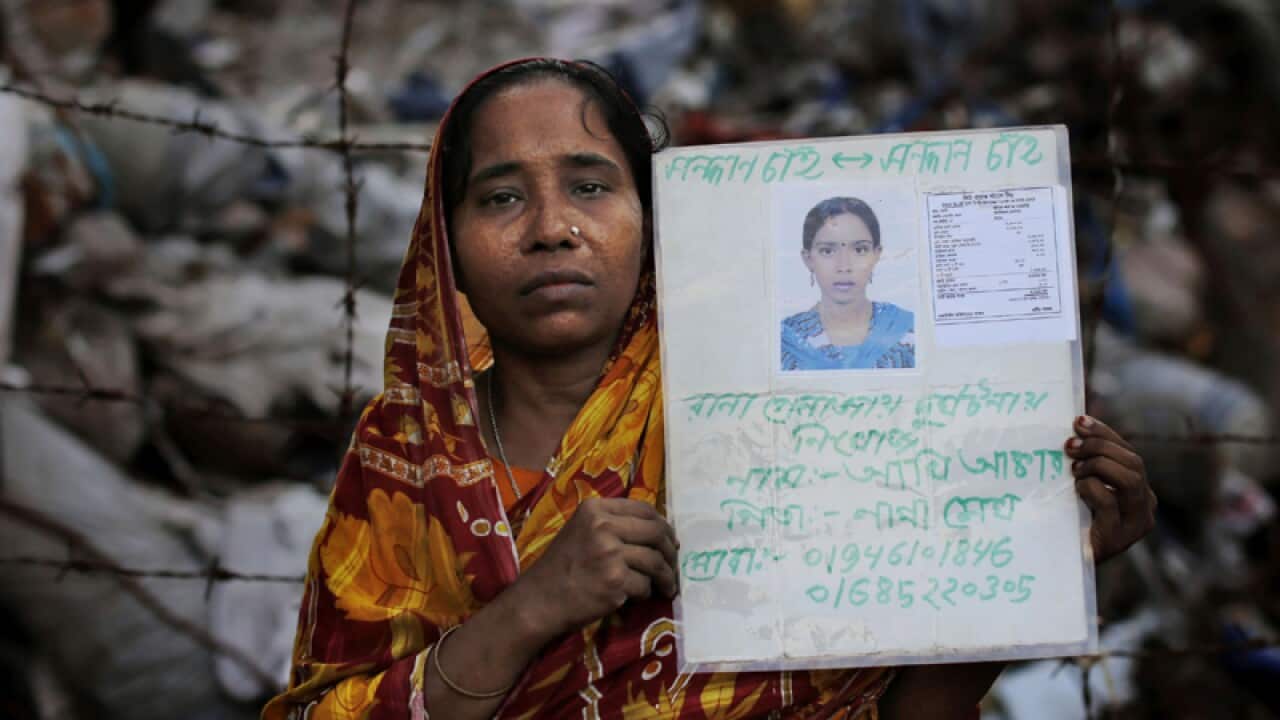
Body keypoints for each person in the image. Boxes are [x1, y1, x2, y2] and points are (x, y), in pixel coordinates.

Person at [263, 58, 1156, 719]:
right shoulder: (407, 461)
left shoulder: (776, 412)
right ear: (443, 241)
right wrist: (535, 606)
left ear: (653, 221)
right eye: (500, 198)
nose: (553, 229)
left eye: (590, 185)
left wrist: (1033, 568)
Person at [781, 196, 915, 371]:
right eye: (827, 251)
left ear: (876, 255)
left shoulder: (909, 330)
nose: (844, 266)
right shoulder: (783, 341)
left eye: (860, 250)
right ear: (808, 259)